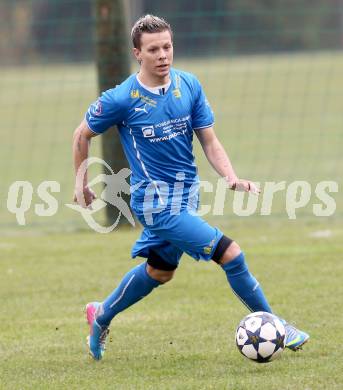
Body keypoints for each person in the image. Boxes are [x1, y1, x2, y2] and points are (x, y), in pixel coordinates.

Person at [72, 14, 309, 361]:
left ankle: (101, 316)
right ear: (137, 53)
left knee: (160, 272)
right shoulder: (122, 98)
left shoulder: (190, 85)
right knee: (231, 253)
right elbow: (82, 134)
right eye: (153, 49)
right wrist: (80, 182)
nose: (163, 55)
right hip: (155, 203)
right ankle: (279, 326)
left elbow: (209, 141)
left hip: (186, 197)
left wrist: (231, 176)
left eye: (167, 46)